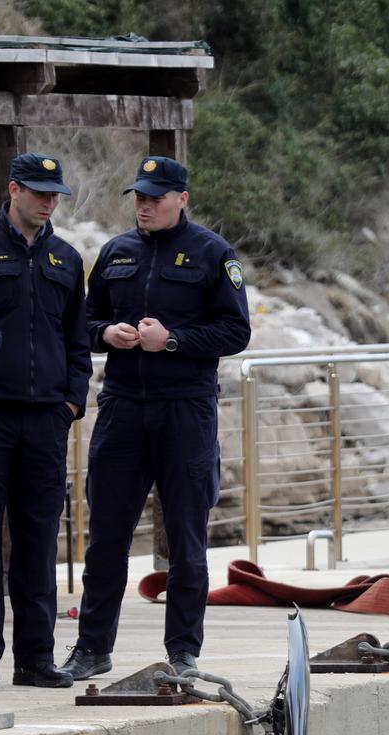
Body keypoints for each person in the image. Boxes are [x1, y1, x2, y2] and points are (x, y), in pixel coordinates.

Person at [60, 156, 250, 680]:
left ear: (182, 198)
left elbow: (236, 333)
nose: (144, 205)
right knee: (108, 534)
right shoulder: (116, 253)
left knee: (186, 536)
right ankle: (92, 647)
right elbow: (87, 319)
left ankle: (183, 651)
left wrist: (173, 341)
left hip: (186, 408)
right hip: (122, 405)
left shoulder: (214, 254)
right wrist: (106, 334)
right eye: (139, 197)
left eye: (155, 197)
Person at [0, 153, 91, 690]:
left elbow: (79, 339)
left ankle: (36, 658)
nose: (48, 200)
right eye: (38, 191)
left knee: (36, 542)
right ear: (13, 190)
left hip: (45, 421)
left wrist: (71, 403)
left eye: (55, 193)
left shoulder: (67, 259)